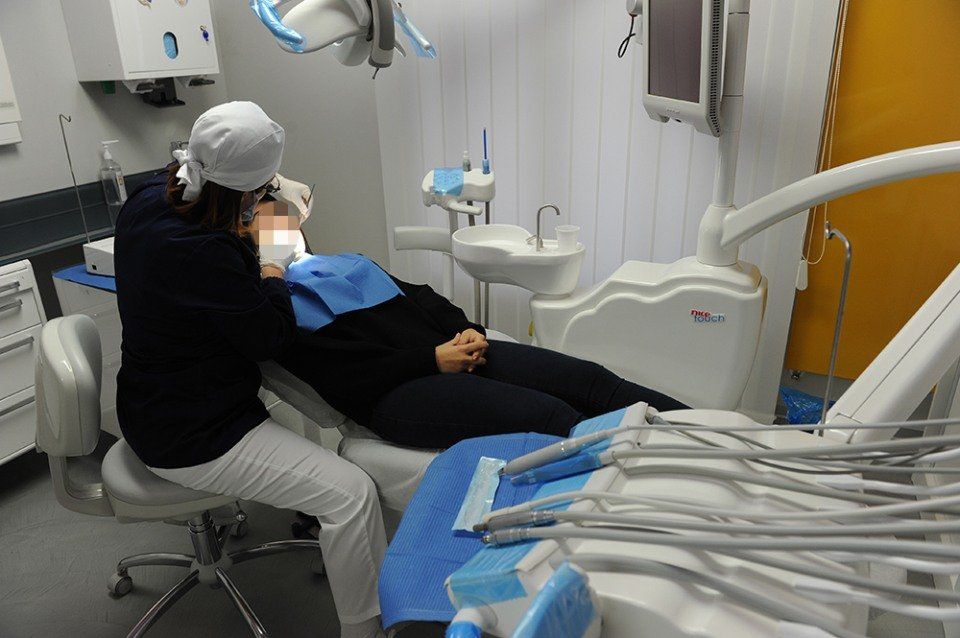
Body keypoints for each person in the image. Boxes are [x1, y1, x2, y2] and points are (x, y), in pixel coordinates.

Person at [113, 102, 387, 638]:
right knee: (351, 494)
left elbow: (212, 221)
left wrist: (266, 193)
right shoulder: (203, 253)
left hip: (150, 404)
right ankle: (370, 629)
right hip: (195, 434)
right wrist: (275, 259)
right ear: (243, 194)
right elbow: (271, 335)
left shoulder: (150, 195)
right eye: (261, 190)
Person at [250, 205, 689, 450]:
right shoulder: (272, 305)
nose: (275, 220)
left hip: (455, 349)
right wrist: (432, 359)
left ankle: (723, 439)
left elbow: (420, 296)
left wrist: (467, 330)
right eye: (256, 218)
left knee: (593, 382)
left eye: (276, 213)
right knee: (552, 417)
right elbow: (346, 375)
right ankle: (669, 497)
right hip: (395, 392)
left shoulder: (342, 262)